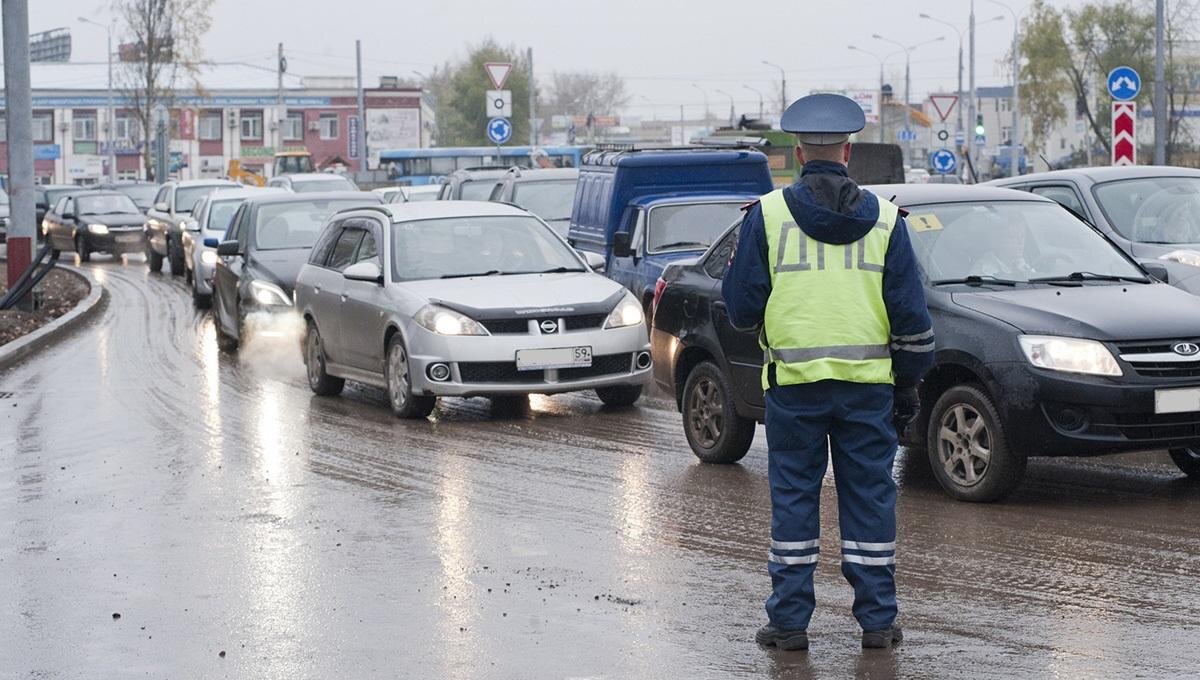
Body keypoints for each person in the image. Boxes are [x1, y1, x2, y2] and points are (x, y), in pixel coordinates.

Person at [722, 93, 935, 652]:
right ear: (848, 150)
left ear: (797, 152)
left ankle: (790, 625)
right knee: (869, 499)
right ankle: (878, 623)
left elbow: (742, 309)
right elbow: (912, 319)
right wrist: (908, 384)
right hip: (869, 393)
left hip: (794, 391)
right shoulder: (888, 221)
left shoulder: (767, 217)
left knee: (794, 501)